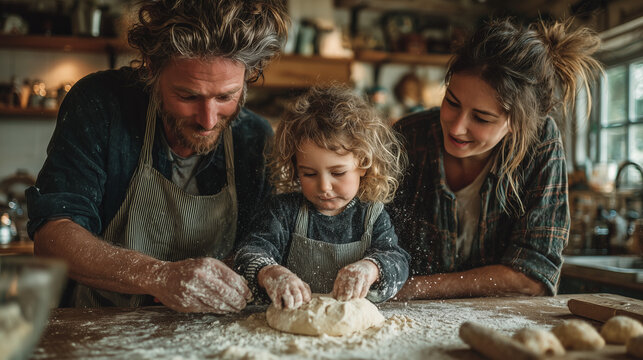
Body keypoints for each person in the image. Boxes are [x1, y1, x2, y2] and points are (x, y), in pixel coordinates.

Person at [25, 0, 289, 313]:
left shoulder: (254, 138)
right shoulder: (102, 104)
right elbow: (53, 235)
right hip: (99, 330)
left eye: (225, 97)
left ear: (248, 76)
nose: (207, 119)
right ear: (152, 66)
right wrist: (157, 275)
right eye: (188, 96)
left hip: (212, 339)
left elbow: (265, 244)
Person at [389, 17, 603, 300]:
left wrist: (418, 287)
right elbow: (368, 237)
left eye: (481, 117)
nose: (456, 127)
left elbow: (534, 277)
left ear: (518, 123)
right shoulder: (408, 137)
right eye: (451, 102)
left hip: (501, 327)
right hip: (405, 324)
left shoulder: (539, 145)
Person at [234, 85, 410, 309]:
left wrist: (371, 268)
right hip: (292, 326)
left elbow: (397, 260)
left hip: (351, 330)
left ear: (364, 163)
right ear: (295, 168)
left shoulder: (371, 215)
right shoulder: (284, 212)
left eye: (337, 173)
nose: (324, 186)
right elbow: (250, 252)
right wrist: (271, 272)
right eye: (309, 173)